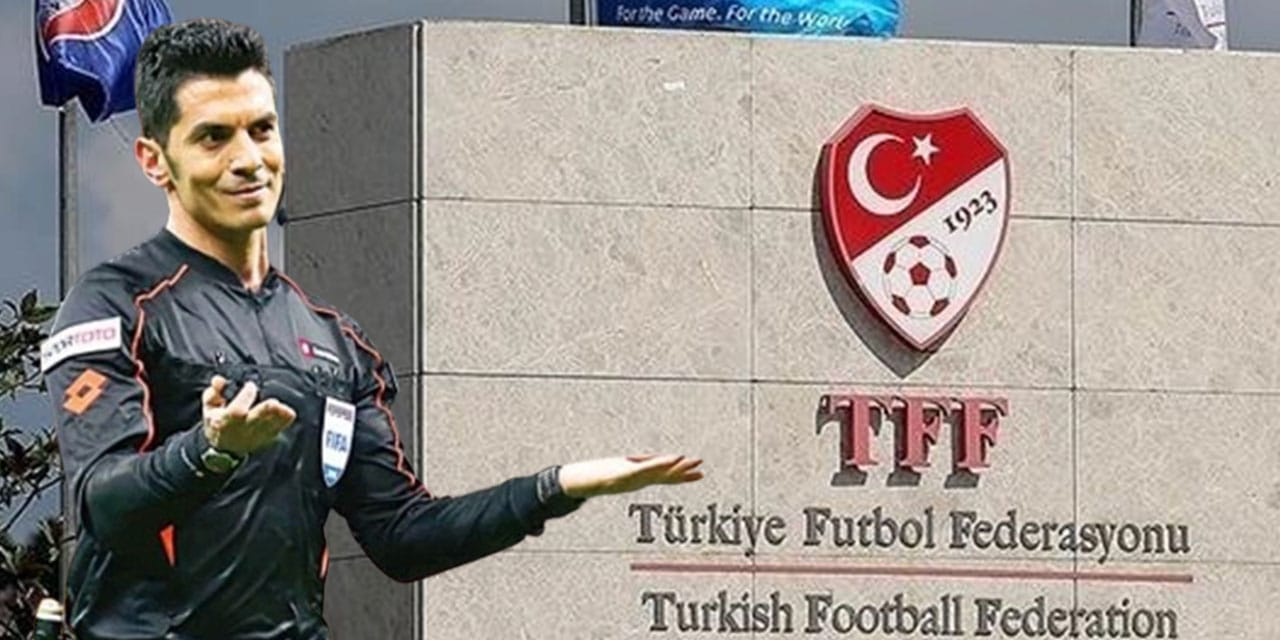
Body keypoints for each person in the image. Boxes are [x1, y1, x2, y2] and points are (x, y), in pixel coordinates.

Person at [42, 18, 703, 639]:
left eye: (263, 130)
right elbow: (104, 503)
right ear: (154, 160)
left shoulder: (336, 343)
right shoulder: (113, 304)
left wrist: (554, 488)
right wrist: (209, 450)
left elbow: (403, 536)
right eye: (214, 138)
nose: (249, 160)